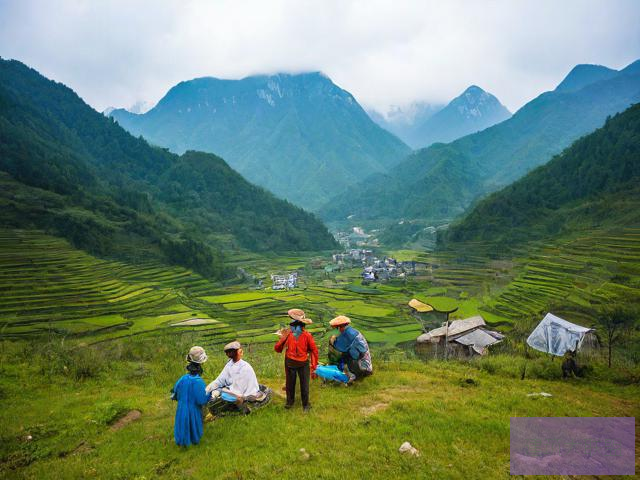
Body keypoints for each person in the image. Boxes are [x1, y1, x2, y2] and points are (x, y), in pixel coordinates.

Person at [205, 341, 272, 417]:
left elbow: (239, 391)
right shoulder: (230, 364)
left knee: (223, 395)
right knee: (214, 391)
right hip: (235, 390)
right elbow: (220, 380)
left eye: (231, 352)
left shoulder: (244, 367)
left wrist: (223, 390)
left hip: (246, 394)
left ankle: (243, 410)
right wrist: (208, 389)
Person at [274, 308, 318, 411]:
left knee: (290, 383)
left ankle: (289, 403)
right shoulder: (307, 335)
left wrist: (281, 338)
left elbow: (278, 347)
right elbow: (314, 351)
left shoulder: (289, 334)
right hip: (302, 363)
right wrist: (314, 365)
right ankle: (306, 406)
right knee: (304, 384)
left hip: (290, 362)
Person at [171, 346, 211, 447]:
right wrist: (211, 393)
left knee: (182, 425)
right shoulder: (198, 382)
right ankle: (193, 441)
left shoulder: (182, 379)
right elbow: (202, 400)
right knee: (193, 426)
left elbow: (175, 393)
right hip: (193, 410)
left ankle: (182, 442)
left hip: (181, 409)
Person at [329, 315, 373, 382]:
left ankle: (352, 377)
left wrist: (332, 341)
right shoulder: (352, 331)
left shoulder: (348, 333)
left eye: (337, 327)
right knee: (345, 355)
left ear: (340, 327)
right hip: (365, 362)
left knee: (341, 356)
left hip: (362, 365)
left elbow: (339, 346)